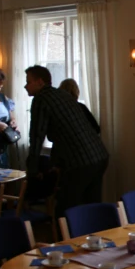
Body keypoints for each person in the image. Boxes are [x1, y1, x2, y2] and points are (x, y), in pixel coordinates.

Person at [24, 66, 109, 216]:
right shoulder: (63, 94)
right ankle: (95, 238)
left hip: (80, 162)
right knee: (92, 207)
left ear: (40, 82)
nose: (26, 86)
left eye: (28, 82)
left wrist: (32, 170)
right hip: (99, 156)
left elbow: (37, 136)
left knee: (66, 210)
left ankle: (66, 239)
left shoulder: (41, 99)